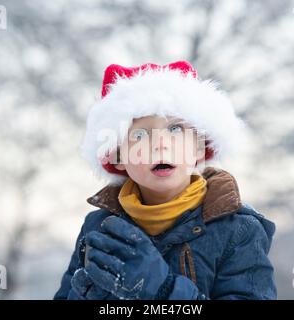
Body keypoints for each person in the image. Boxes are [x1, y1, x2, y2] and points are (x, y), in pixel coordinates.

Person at [54, 61, 277, 300]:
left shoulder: (239, 230)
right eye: (139, 134)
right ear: (117, 156)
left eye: (175, 130)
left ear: (200, 147)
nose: (160, 143)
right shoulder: (98, 227)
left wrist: (164, 291)